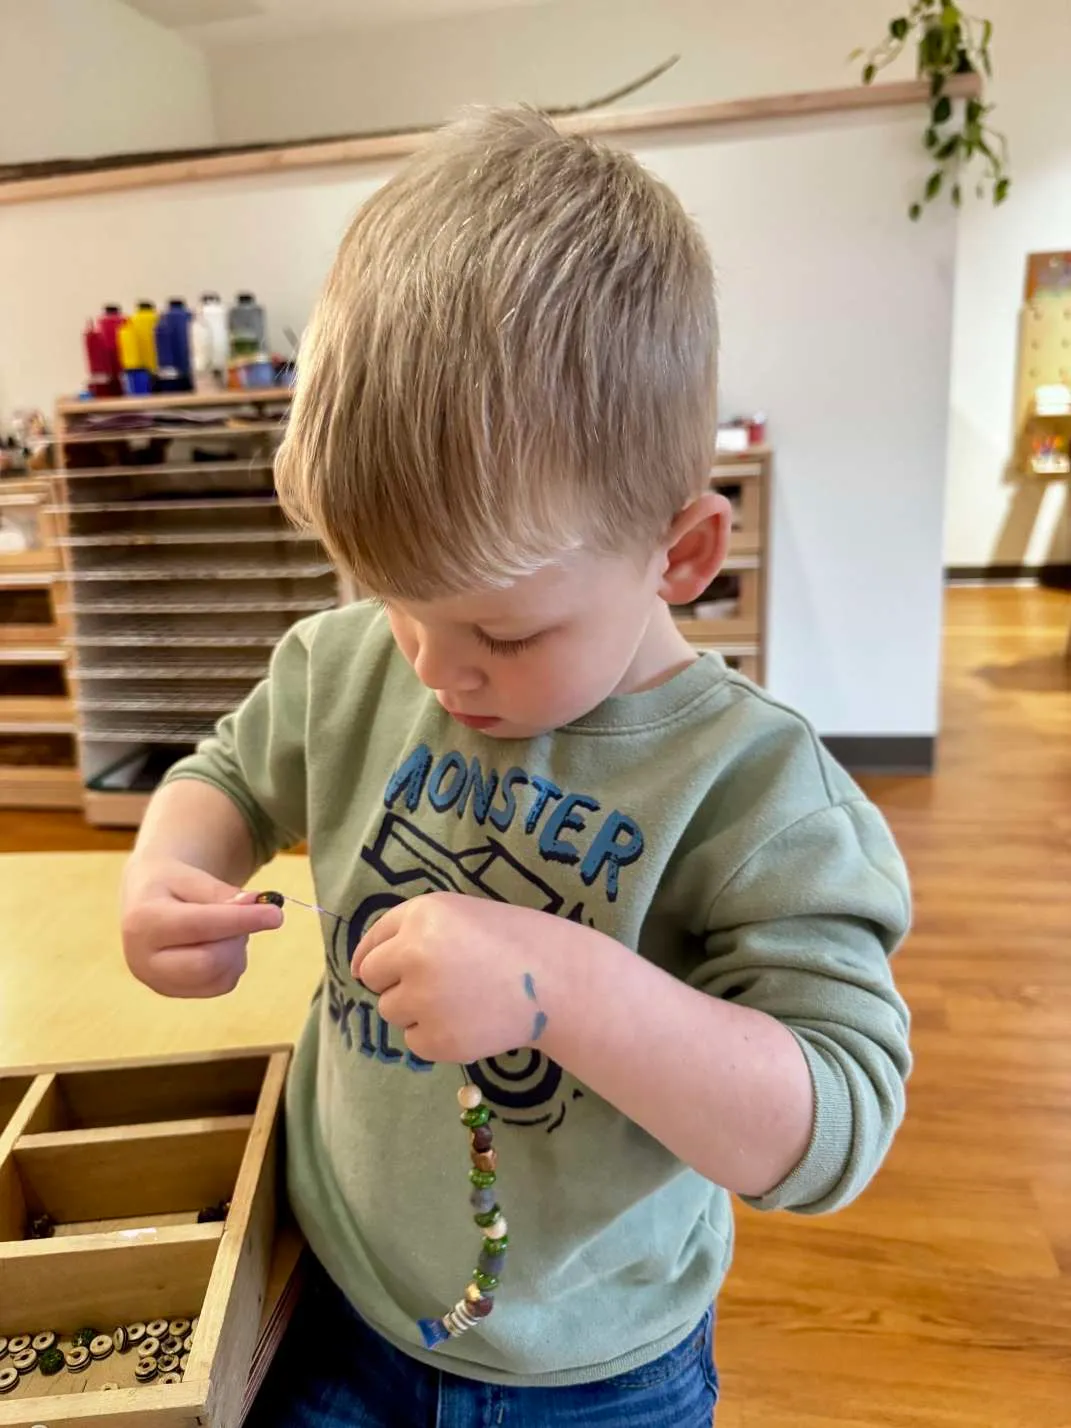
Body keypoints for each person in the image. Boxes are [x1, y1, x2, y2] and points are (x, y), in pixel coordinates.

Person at [120, 106, 911, 1427]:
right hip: (331, 1300)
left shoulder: (754, 797)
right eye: (390, 602)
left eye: (501, 629)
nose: (433, 667)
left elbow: (825, 1129)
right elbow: (230, 775)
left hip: (599, 1374)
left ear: (680, 556)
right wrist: (171, 870)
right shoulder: (350, 663)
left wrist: (565, 992)